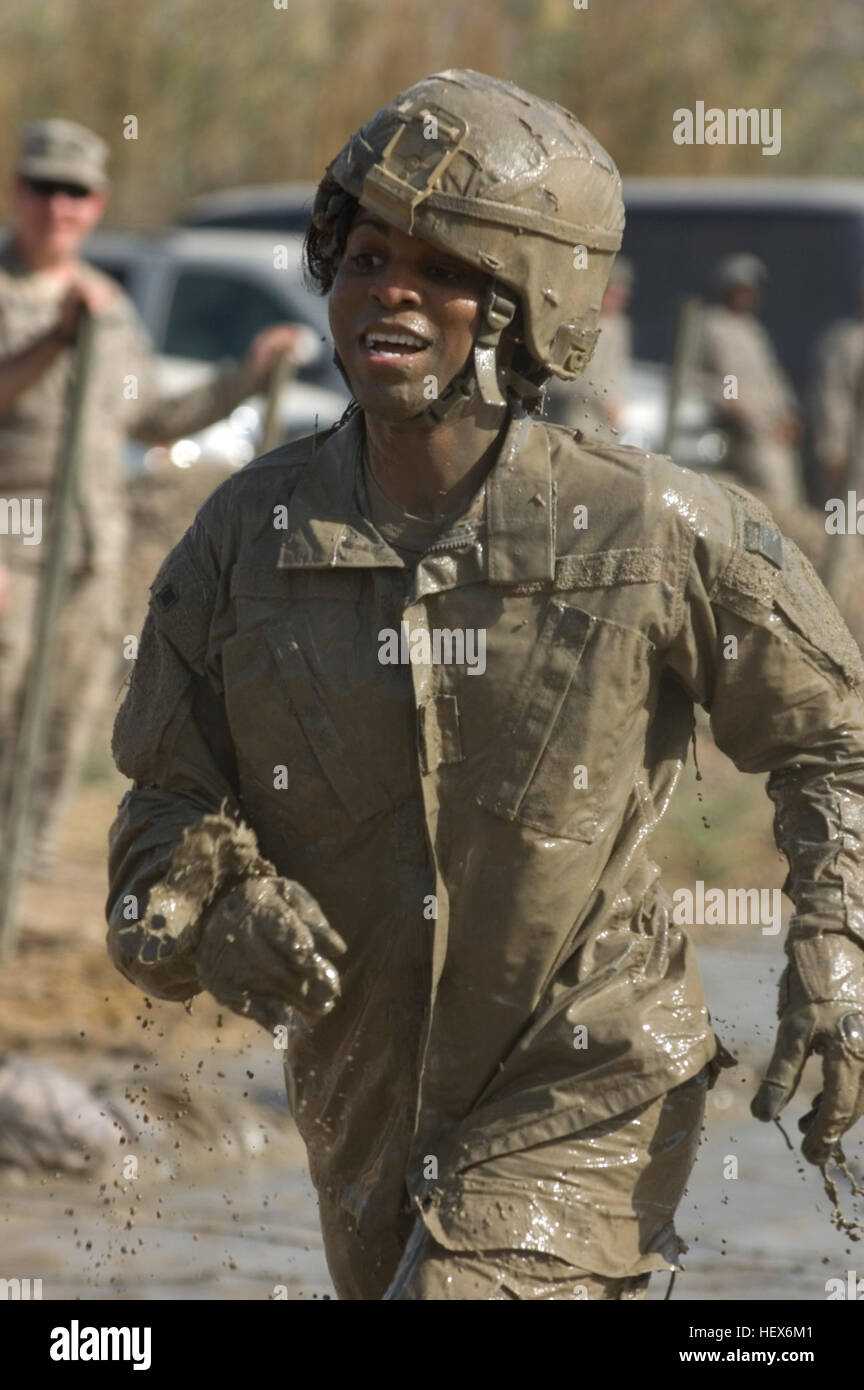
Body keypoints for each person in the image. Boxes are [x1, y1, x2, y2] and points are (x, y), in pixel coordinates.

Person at [106, 71, 864, 1301]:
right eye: (361, 256)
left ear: (526, 302)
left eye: (438, 263)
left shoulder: (657, 528)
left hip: (594, 1071)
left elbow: (838, 747)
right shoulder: (246, 537)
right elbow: (158, 822)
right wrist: (215, 908)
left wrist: (837, 954)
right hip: (361, 1103)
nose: (388, 289)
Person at [0, 118, 304, 874]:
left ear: (96, 205)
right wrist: (51, 341)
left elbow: (155, 417)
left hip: (88, 554)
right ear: (17, 193)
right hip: (12, 542)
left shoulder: (107, 307)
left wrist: (248, 376)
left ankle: (21, 886)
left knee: (64, 724)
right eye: (43, 188)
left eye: (75, 193)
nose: (57, 208)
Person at [694, 253, 804, 506]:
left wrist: (788, 413)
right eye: (741, 289)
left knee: (785, 497)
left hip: (771, 429)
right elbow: (691, 376)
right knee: (763, 494)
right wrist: (726, 400)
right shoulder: (709, 325)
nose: (746, 295)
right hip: (740, 431)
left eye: (751, 290)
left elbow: (771, 377)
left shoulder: (753, 330)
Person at [544, 255, 633, 439]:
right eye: (612, 293)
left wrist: (615, 402)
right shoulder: (575, 324)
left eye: (621, 294)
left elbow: (615, 373)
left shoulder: (619, 328)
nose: (617, 300)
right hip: (572, 418)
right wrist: (601, 397)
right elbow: (559, 379)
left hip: (604, 426)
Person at [807, 280, 864, 500]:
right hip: (854, 446)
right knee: (848, 516)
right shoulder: (845, 341)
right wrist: (833, 446)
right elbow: (832, 397)